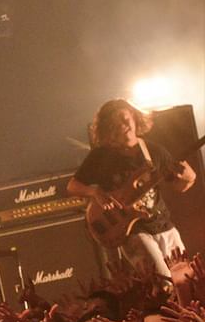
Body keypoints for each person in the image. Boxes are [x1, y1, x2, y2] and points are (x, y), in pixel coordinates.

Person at [68, 98, 197, 287]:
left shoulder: (153, 151)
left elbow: (179, 186)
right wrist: (95, 191)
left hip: (163, 224)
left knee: (186, 282)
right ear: (108, 130)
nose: (122, 126)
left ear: (134, 117)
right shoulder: (100, 157)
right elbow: (72, 186)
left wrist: (190, 177)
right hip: (132, 230)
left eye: (124, 118)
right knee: (163, 283)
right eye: (115, 124)